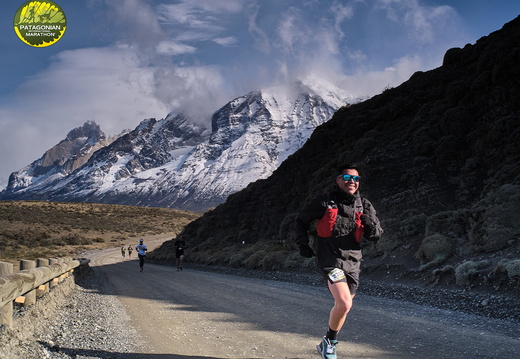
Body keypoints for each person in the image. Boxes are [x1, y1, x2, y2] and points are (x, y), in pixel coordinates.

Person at [294, 164, 383, 359]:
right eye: (347, 177)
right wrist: (303, 245)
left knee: (344, 304)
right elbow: (301, 220)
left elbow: (376, 235)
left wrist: (369, 225)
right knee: (344, 303)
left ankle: (326, 342)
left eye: (356, 179)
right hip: (330, 258)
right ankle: (330, 343)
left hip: (353, 260)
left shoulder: (364, 205)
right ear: (338, 180)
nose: (352, 182)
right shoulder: (324, 201)